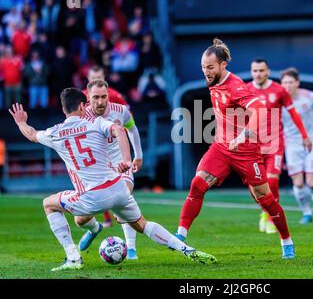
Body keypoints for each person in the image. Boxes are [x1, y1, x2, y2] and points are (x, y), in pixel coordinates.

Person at [8, 89, 216, 271]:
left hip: (90, 197)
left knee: (49, 204)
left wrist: (20, 121)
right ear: (82, 106)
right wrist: (127, 159)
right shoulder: (96, 123)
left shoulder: (55, 132)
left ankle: (73, 258)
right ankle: (186, 249)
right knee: (142, 224)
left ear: (64, 110)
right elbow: (119, 129)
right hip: (118, 190)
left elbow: (32, 134)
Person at [175, 38, 295, 259]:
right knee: (198, 184)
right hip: (221, 147)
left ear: (223, 65)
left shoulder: (236, 86)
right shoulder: (214, 81)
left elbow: (259, 108)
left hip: (246, 150)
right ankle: (179, 236)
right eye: (203, 67)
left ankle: (286, 241)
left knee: (265, 198)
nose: (206, 72)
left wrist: (244, 134)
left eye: (210, 67)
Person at [247, 58, 312, 234]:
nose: (258, 74)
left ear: (268, 72)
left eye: (261, 70)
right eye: (255, 71)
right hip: (252, 145)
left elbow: (294, 114)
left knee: (271, 180)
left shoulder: (279, 90)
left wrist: (305, 136)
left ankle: (270, 218)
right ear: (252, 72)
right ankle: (264, 212)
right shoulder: (246, 90)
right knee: (254, 187)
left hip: (274, 142)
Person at [83, 80, 143, 261]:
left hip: (121, 166)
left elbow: (132, 129)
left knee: (124, 199)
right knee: (81, 218)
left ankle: (131, 250)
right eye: (96, 97)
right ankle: (94, 228)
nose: (101, 101)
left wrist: (138, 155)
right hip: (97, 171)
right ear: (88, 97)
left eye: (104, 97)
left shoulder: (120, 111)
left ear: (108, 95)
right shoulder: (81, 116)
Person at [280, 68, 313, 224]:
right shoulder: (278, 100)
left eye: (290, 82)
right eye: (284, 82)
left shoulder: (310, 97)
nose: (287, 85)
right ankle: (306, 213)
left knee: (311, 183)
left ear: (297, 83)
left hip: (311, 142)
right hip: (292, 144)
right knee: (298, 183)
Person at [83, 65, 129, 229]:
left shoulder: (115, 96)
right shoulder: (81, 98)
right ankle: (101, 222)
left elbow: (127, 119)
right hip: (92, 150)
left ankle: (116, 218)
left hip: (114, 147)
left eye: (99, 78)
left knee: (121, 188)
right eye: (93, 78)